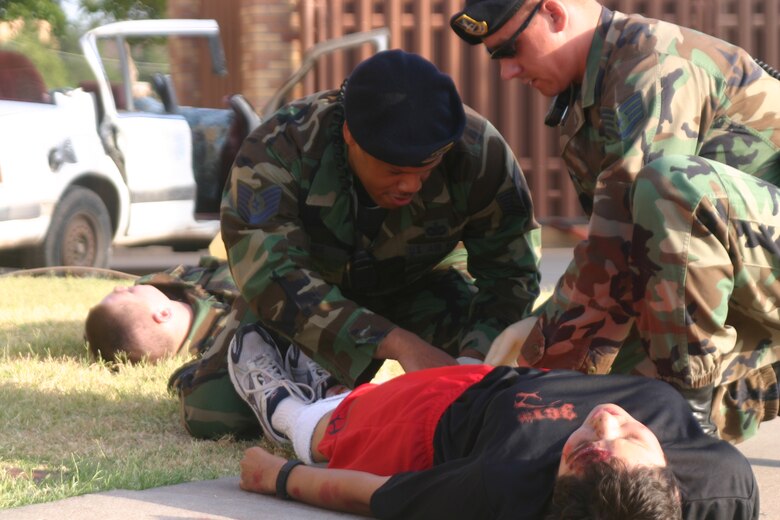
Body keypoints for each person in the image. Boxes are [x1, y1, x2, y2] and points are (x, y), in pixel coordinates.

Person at [449, 0, 780, 442]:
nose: (508, 72)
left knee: (671, 183)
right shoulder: (590, 87)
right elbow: (630, 271)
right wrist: (546, 376)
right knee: (593, 406)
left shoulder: (653, 64)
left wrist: (540, 349)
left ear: (553, 13)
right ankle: (708, 403)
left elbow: (618, 236)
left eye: (512, 48)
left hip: (759, 267)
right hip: (744, 278)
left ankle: (688, 431)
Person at [220, 49, 542, 389]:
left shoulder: (477, 150)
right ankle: (212, 306)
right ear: (350, 136)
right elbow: (274, 275)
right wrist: (398, 343)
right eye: (395, 170)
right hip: (313, 295)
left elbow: (511, 274)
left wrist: (473, 359)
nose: (411, 185)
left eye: (425, 171)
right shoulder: (280, 148)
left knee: (491, 389)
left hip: (424, 286)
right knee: (215, 410)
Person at [229, 323, 757, 519]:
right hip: (515, 373)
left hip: (446, 414)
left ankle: (289, 409)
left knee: (330, 432)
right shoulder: (725, 486)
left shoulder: (505, 484)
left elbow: (374, 494)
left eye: (583, 444)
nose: (606, 420)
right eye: (632, 435)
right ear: (671, 478)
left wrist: (277, 477)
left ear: (557, 477)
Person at [84, 255, 333, 439]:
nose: (120, 286)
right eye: (127, 292)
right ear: (161, 314)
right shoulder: (221, 350)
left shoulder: (176, 283)